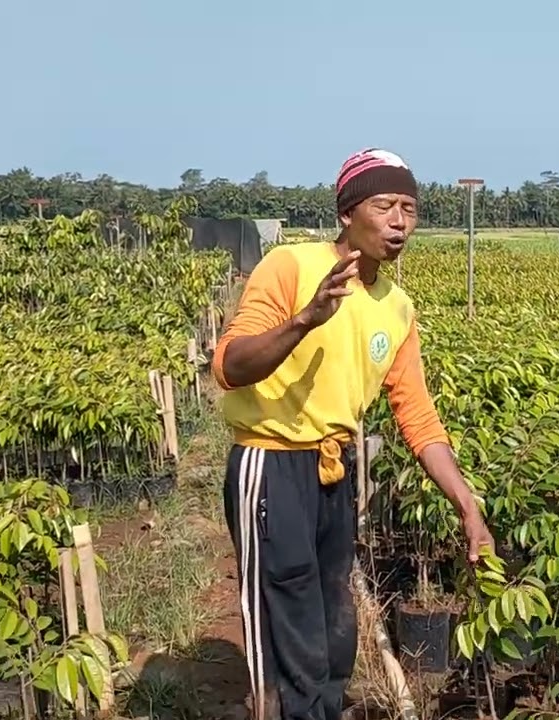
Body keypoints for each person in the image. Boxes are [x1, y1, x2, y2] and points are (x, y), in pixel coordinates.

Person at [211, 147, 495, 720]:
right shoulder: (291, 267)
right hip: (270, 467)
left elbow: (416, 415)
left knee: (334, 630)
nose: (399, 221)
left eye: (410, 209)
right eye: (385, 205)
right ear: (347, 212)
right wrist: (304, 320)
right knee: (285, 628)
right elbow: (229, 365)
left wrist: (467, 504)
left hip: (334, 473)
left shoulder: (397, 307)